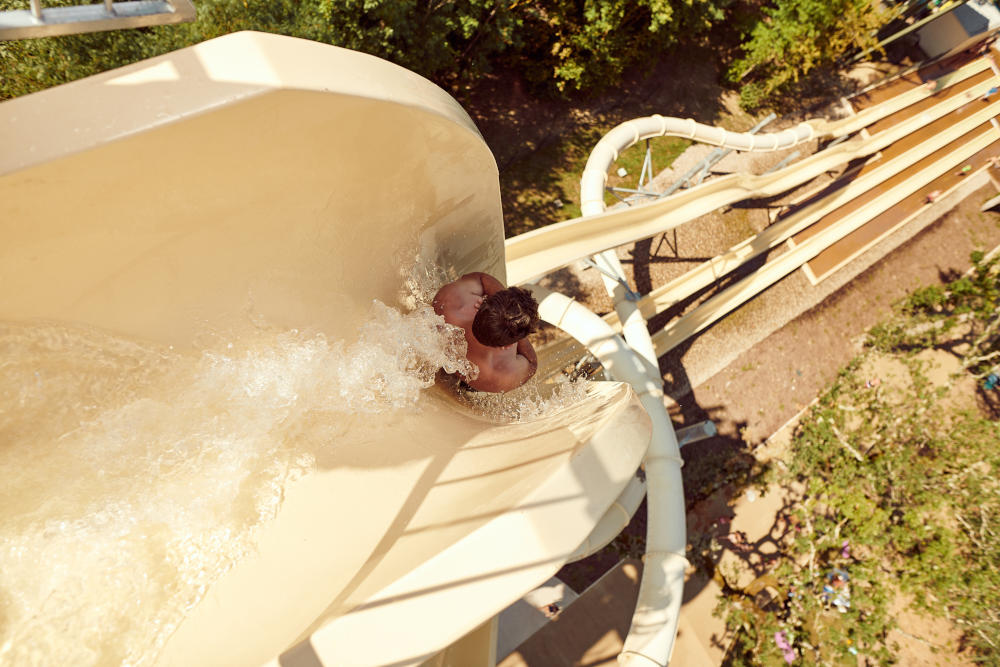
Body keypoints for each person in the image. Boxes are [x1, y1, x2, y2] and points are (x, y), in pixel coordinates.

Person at [433, 272, 539, 392]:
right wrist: (513, 333)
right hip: (467, 377)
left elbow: (482, 278)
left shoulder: (449, 302)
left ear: (485, 302)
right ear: (509, 345)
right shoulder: (498, 376)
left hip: (437, 350)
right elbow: (532, 364)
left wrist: (497, 310)